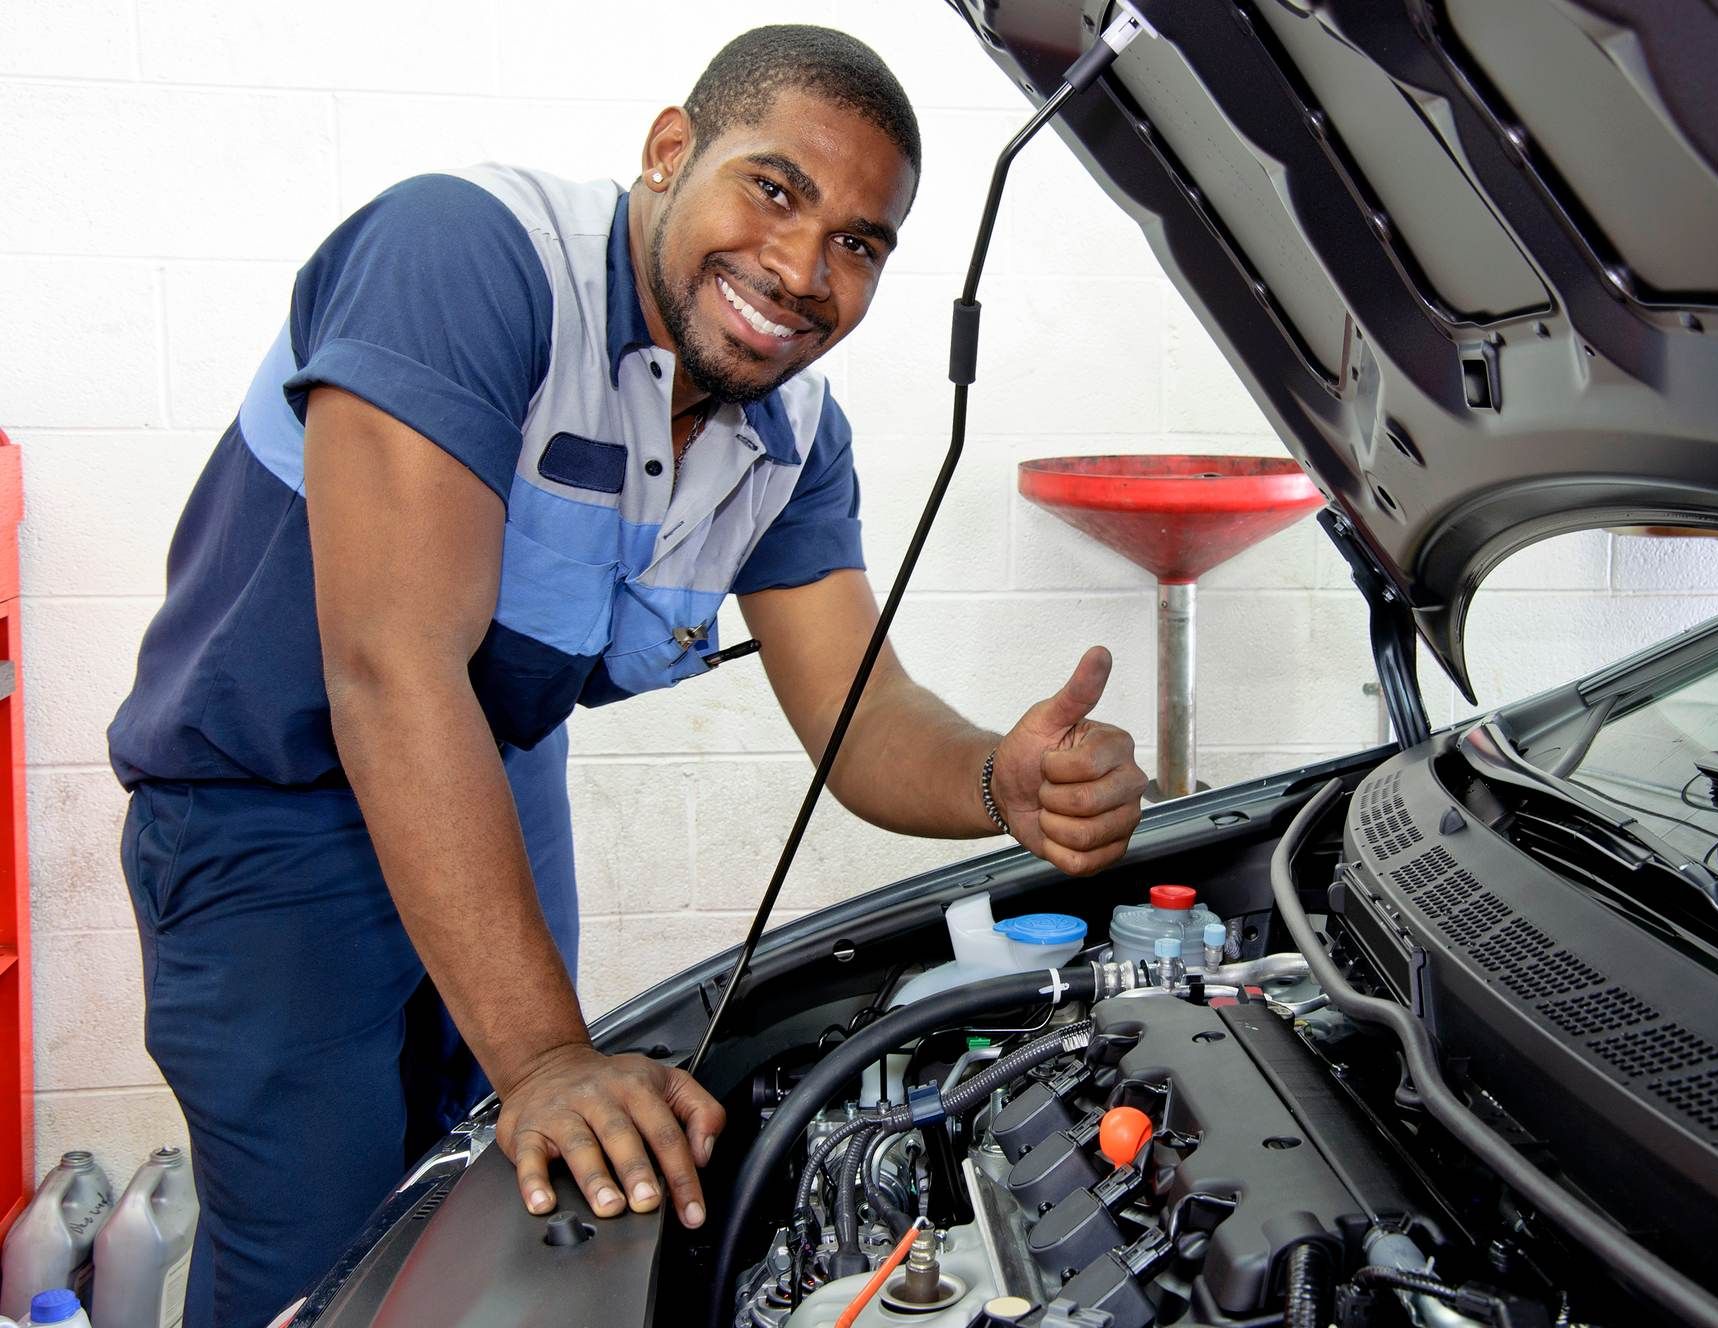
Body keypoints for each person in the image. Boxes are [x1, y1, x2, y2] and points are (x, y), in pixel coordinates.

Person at [105, 25, 1148, 1328]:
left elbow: (863, 716)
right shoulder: (468, 257)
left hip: (488, 778)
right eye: (776, 190)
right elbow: (391, 670)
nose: (801, 265)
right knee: (320, 1263)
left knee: (479, 1205)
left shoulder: (791, 441)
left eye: (860, 243)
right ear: (670, 153)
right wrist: (545, 1054)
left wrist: (1004, 778)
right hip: (266, 811)